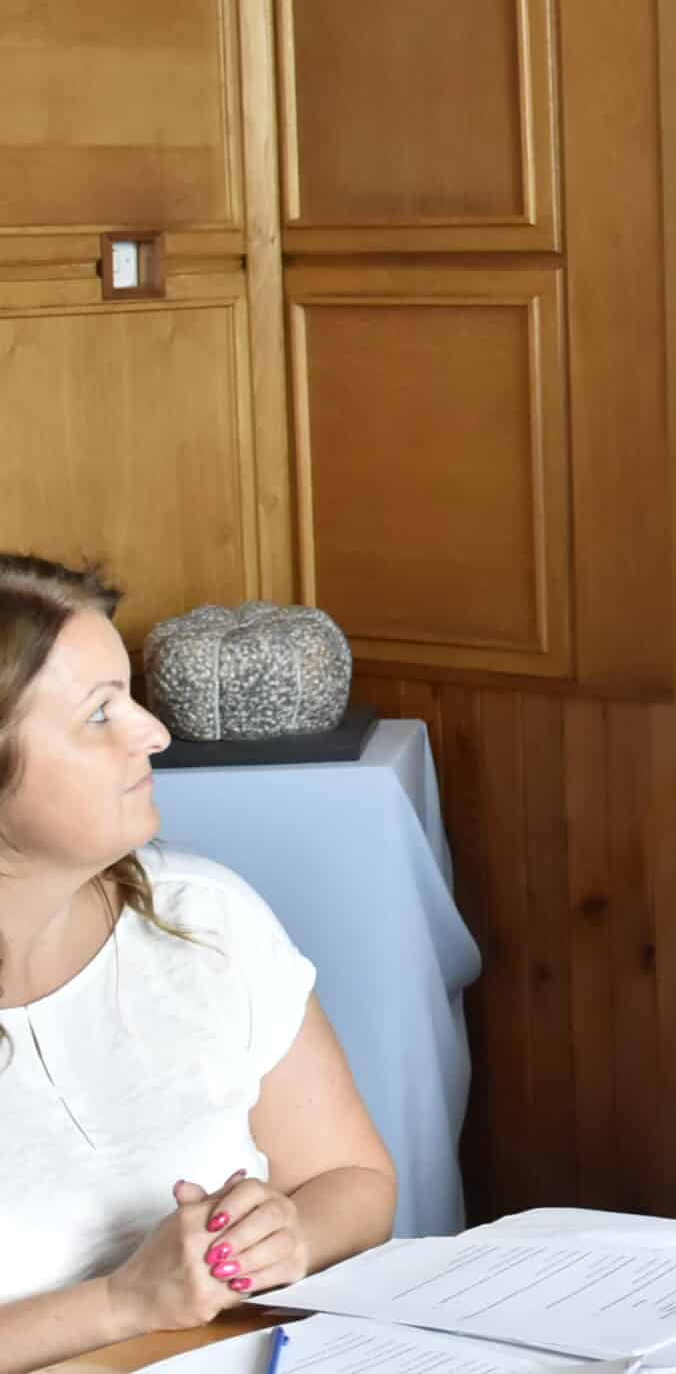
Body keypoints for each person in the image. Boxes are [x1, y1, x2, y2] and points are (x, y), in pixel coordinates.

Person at [0, 555, 396, 1374]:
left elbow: (353, 1177)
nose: (152, 731)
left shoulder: (206, 918)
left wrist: (292, 1232)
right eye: (100, 713)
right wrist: (120, 1302)